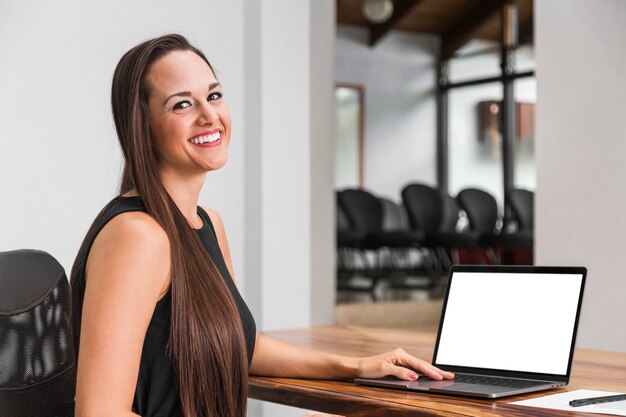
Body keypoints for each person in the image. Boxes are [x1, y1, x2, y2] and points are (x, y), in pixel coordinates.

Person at [70, 34, 454, 417]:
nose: (209, 116)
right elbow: (100, 412)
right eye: (182, 104)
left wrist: (354, 366)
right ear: (142, 124)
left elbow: (241, 345)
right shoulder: (137, 236)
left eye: (214, 96)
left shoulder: (207, 224)